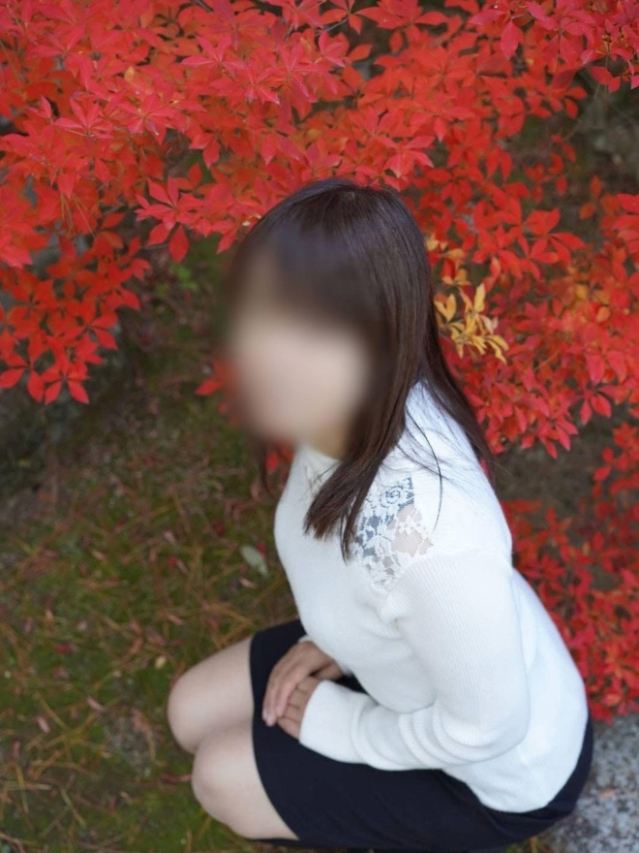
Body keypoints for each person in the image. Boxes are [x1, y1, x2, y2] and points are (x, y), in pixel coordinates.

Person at [166, 176, 594, 853]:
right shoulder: (347, 406)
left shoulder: (437, 545)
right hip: (417, 662)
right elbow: (364, 573)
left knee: (219, 777)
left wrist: (348, 727)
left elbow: (488, 727)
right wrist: (340, 643)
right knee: (189, 710)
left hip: (495, 772)